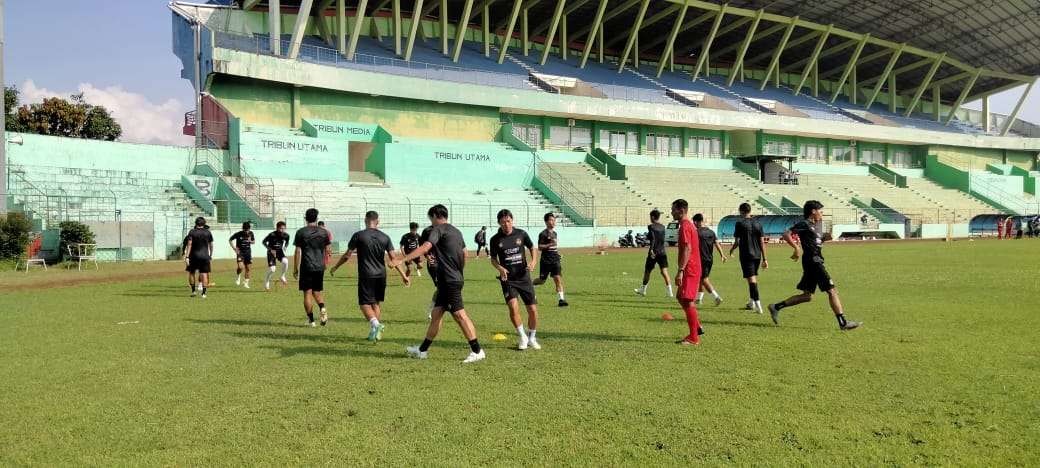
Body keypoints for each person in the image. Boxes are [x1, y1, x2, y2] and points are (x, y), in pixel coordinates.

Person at [394, 204, 486, 363]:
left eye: (431, 218)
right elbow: (464, 253)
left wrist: (402, 259)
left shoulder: (438, 229)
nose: (431, 221)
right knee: (436, 314)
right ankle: (422, 350)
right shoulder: (456, 231)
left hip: (449, 280)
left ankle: (477, 351)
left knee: (459, 314)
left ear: (435, 216)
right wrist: (458, 270)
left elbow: (425, 247)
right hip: (450, 279)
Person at [769, 201, 861, 331]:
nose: (822, 214)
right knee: (831, 290)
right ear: (813, 211)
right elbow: (786, 234)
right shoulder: (804, 223)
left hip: (812, 261)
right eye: (821, 211)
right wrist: (796, 248)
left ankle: (776, 307)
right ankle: (843, 323)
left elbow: (818, 240)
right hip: (814, 261)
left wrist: (827, 237)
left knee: (807, 296)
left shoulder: (816, 226)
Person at [330, 211, 410, 340]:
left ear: (365, 220)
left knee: (364, 304)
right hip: (381, 275)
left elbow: (346, 256)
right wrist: (403, 275)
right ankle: (375, 333)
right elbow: (393, 258)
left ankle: (376, 324)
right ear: (377, 221)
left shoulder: (359, 235)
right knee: (376, 304)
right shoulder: (385, 237)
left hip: (367, 275)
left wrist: (335, 267)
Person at [489, 209, 542, 351]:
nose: (506, 224)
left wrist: (534, 261)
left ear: (512, 220)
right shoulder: (495, 239)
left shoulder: (521, 234)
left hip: (524, 277)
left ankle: (532, 337)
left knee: (532, 309)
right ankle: (522, 336)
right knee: (513, 306)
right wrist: (500, 268)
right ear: (499, 223)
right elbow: (493, 259)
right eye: (503, 222)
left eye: (508, 221)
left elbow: (532, 247)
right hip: (507, 279)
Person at [293, 209, 332, 327]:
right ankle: (322, 308)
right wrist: (325, 262)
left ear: (306, 218)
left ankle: (311, 321)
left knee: (307, 293)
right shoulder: (324, 232)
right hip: (320, 266)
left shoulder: (301, 232)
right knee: (317, 291)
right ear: (316, 218)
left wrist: (295, 268)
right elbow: (329, 249)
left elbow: (298, 251)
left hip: (307, 266)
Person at [671, 199, 703, 346]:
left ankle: (694, 337)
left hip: (690, 268)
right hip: (693, 267)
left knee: (687, 300)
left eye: (673, 209)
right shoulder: (688, 225)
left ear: (681, 210)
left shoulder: (685, 226)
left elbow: (688, 249)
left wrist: (681, 270)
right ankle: (697, 326)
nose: (672, 212)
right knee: (680, 296)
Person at [728, 203, 768, 314]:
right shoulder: (758, 223)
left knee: (751, 280)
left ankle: (759, 307)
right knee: (752, 278)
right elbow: (762, 242)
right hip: (757, 256)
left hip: (746, 255)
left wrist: (732, 249)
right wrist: (765, 259)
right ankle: (751, 303)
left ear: (741, 211)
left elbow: (737, 242)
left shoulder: (739, 224)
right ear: (750, 211)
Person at [533, 212, 568, 307]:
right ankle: (531, 285)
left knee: (557, 279)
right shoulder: (543, 234)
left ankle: (561, 299)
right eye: (551, 220)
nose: (553, 222)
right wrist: (549, 244)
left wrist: (557, 254)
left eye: (554, 220)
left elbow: (554, 248)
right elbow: (540, 247)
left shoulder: (555, 233)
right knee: (541, 280)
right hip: (545, 261)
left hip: (555, 260)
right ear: (546, 222)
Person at [634, 209, 672, 297]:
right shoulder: (663, 227)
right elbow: (659, 238)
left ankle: (643, 290)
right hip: (662, 251)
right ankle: (670, 292)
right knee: (664, 272)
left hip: (654, 252)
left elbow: (654, 238)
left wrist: (651, 249)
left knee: (648, 271)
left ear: (652, 217)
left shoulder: (651, 226)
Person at [693, 213, 727, 306]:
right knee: (701, 278)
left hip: (700, 259)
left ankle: (716, 297)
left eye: (694, 222)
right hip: (709, 259)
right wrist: (722, 255)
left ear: (696, 222)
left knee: (704, 279)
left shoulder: (696, 233)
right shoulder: (711, 232)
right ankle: (699, 299)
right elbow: (717, 244)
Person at [183, 216, 214, 298]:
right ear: (204, 223)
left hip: (193, 256)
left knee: (192, 273)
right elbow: (211, 245)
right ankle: (203, 293)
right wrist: (210, 254)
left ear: (196, 223)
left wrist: (187, 256)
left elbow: (189, 244)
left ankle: (193, 291)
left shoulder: (192, 232)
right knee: (204, 273)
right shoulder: (208, 232)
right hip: (204, 256)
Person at [262, 222, 292, 291]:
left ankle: (282, 276)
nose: (283, 230)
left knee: (286, 261)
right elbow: (263, 242)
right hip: (271, 252)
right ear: (277, 228)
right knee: (272, 270)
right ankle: (267, 282)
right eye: (281, 228)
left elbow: (287, 241)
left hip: (279, 251)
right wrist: (270, 249)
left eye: (284, 228)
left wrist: (285, 246)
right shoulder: (272, 234)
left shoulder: (286, 235)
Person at [229, 221, 255, 289]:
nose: (246, 231)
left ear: (249, 229)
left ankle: (246, 283)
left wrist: (250, 241)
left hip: (248, 252)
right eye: (245, 230)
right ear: (243, 229)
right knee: (240, 267)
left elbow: (253, 242)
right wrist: (234, 248)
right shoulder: (238, 234)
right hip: (240, 252)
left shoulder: (251, 233)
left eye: (248, 230)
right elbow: (230, 240)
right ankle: (238, 276)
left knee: (248, 268)